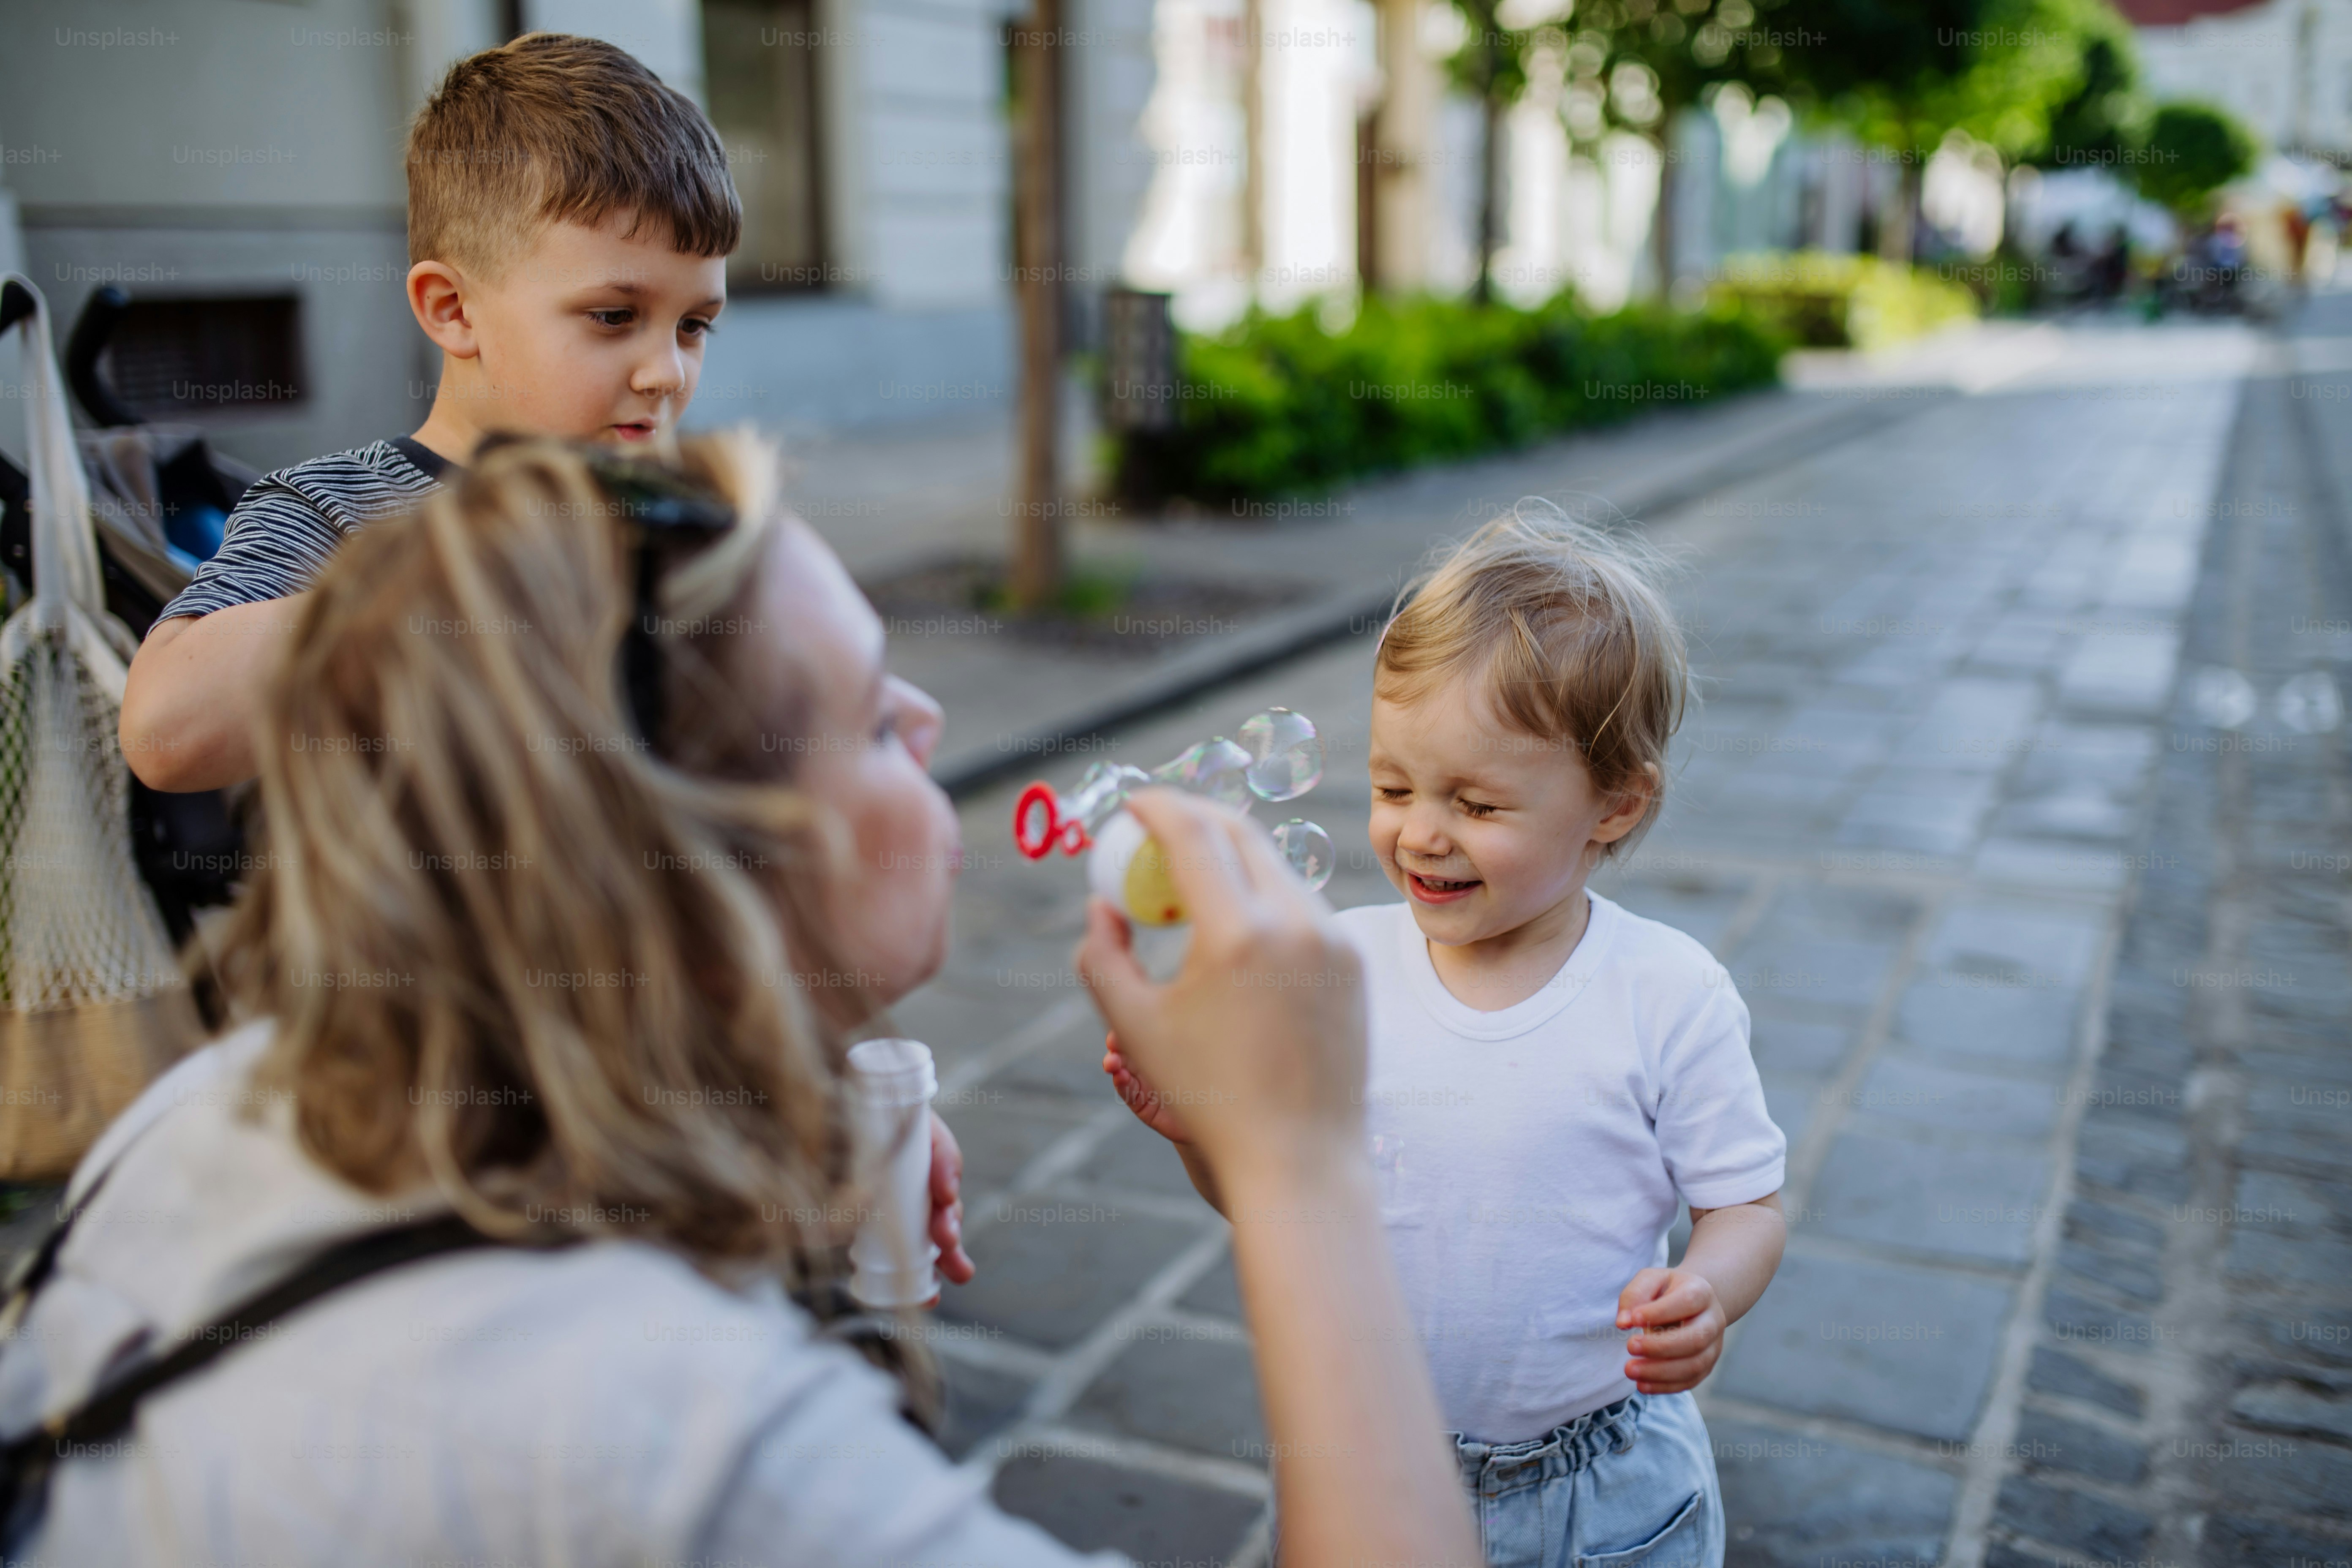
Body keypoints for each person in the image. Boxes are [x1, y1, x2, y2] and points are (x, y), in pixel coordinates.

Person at [0, 434, 1479, 1568]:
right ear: (703, 885)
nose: (933, 720)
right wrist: (1301, 1164)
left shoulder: (217, 1101)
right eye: (862, 712)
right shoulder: (676, 1435)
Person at [1107, 501, 1787, 1568]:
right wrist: (1201, 1129)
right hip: (1363, 1454)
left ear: (1614, 802)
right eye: (1392, 786)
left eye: (1477, 803)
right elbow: (1276, 1194)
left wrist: (1709, 1287)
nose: (1421, 831)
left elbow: (1744, 1202)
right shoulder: (1344, 967)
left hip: (1596, 1482)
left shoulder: (1668, 992)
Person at [119, 32, 735, 793]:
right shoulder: (334, 511)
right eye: (613, 316)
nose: (666, 372)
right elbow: (167, 732)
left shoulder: (669, 510)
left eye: (694, 326)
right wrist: (478, 567)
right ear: (453, 310)